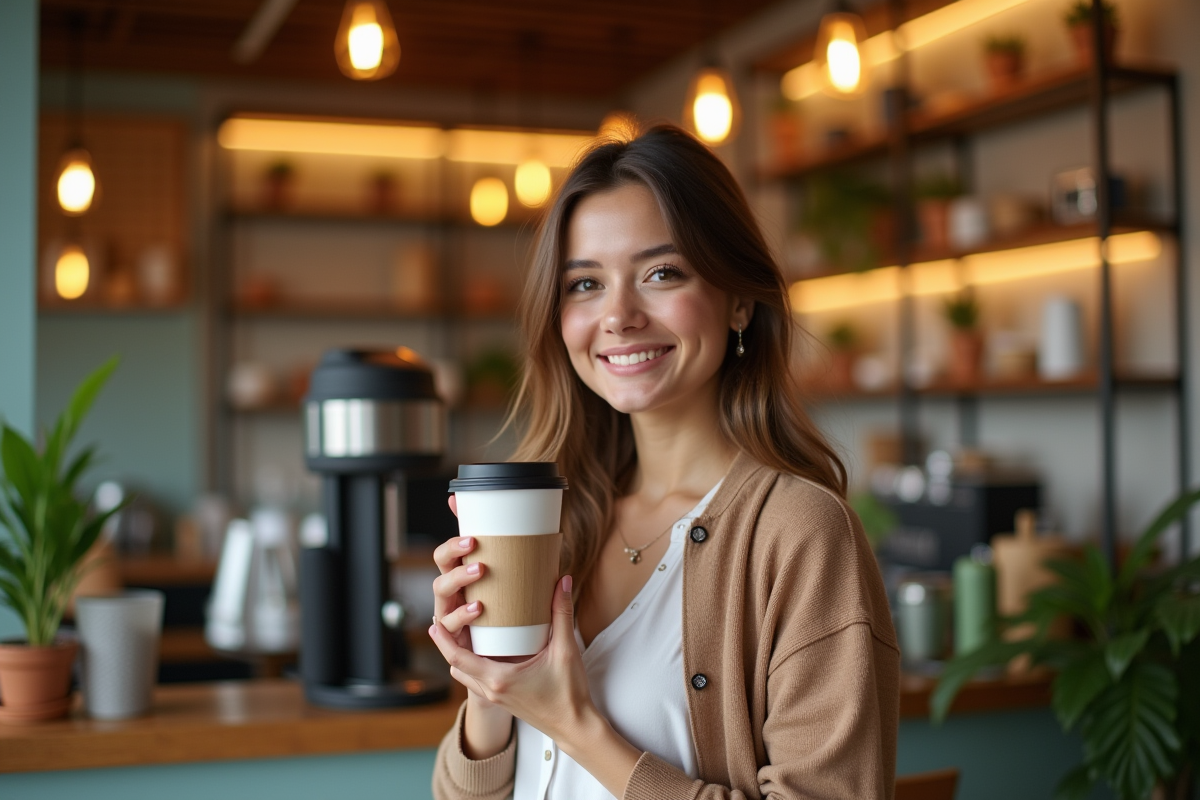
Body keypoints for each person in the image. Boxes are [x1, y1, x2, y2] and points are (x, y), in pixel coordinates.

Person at [429, 124, 899, 800]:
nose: (618, 315)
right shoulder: (560, 520)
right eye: (585, 283)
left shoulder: (800, 533)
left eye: (661, 273)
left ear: (740, 301)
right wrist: (490, 688)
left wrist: (573, 724)